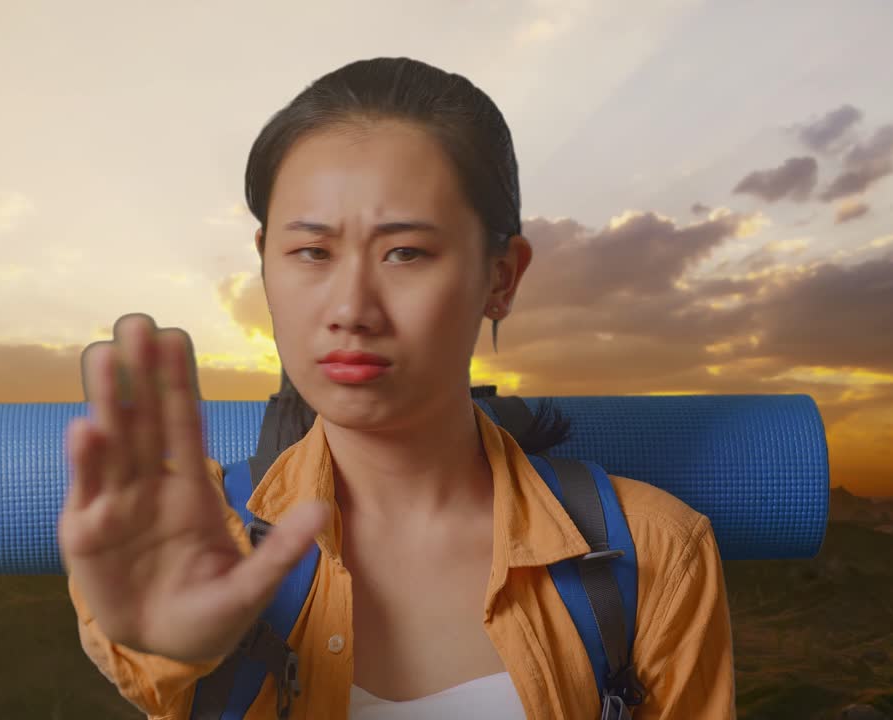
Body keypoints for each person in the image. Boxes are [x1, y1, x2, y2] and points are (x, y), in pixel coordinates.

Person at [58, 57, 736, 719]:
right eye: (312, 252)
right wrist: (164, 648)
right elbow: (148, 645)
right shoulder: (189, 534)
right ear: (265, 263)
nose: (351, 309)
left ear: (500, 277)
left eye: (405, 252)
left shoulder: (655, 552)